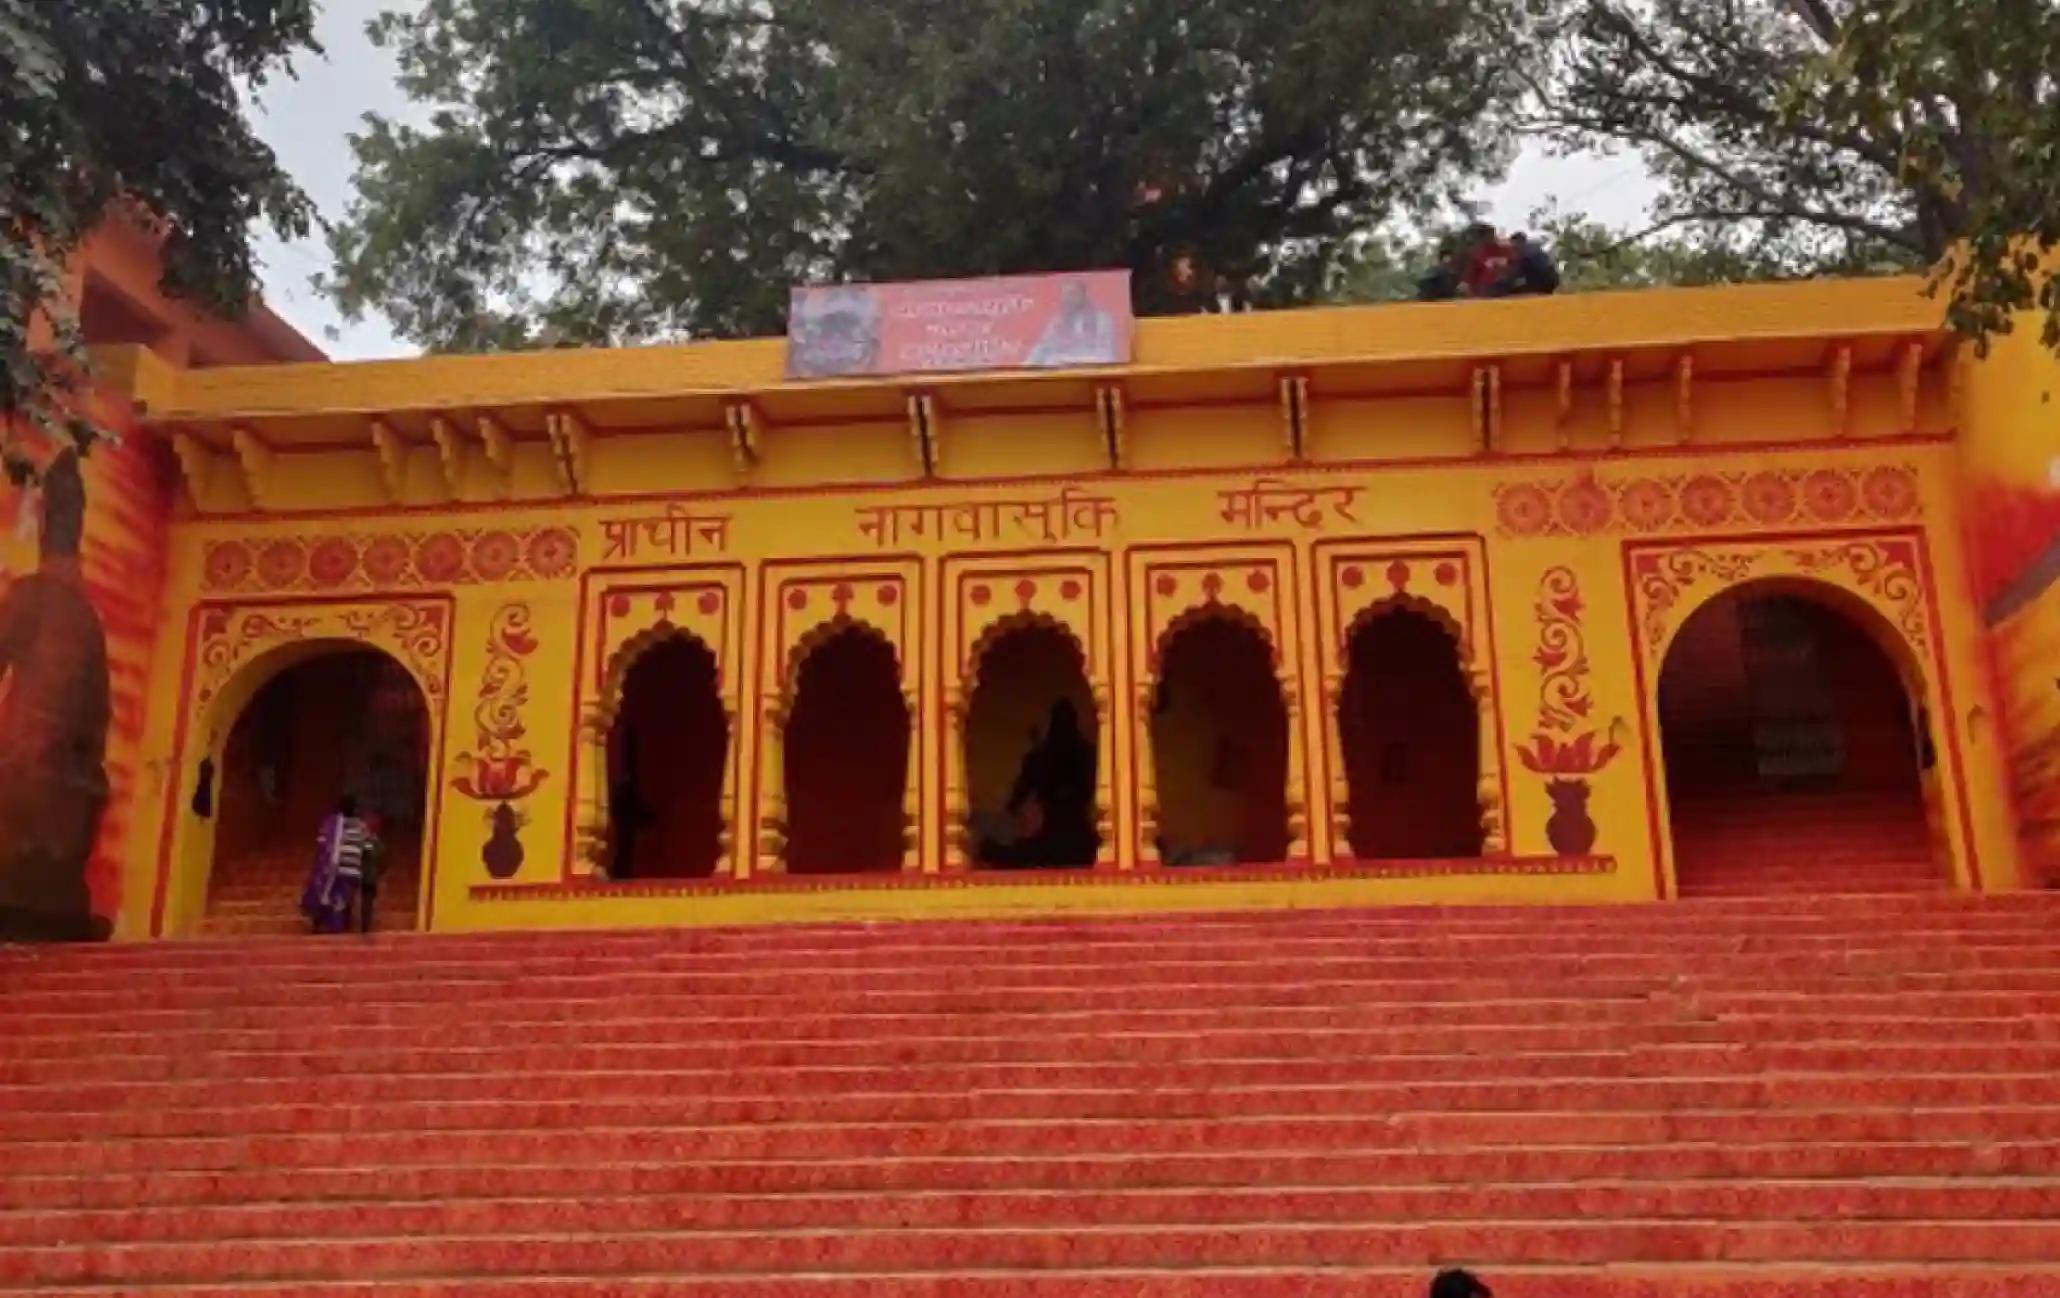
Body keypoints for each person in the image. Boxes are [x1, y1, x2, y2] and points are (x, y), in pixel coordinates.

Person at [983, 699, 1098, 868]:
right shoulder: (1053, 754)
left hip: (1069, 829)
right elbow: (1020, 792)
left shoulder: (1044, 755)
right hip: (1064, 829)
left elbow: (1020, 793)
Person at [302, 795, 374, 935]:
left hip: (336, 871)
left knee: (330, 899)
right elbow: (368, 849)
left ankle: (327, 926)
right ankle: (341, 927)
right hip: (352, 871)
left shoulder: (332, 824)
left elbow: (322, 846)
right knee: (344, 902)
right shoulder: (361, 826)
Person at [1028, 280, 1119, 367]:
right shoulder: (1058, 321)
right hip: (1064, 361)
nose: (1068, 298)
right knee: (1049, 360)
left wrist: (1080, 360)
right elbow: (1044, 345)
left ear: (1083, 295)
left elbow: (1105, 348)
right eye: (1066, 295)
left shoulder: (1101, 318)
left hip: (1092, 361)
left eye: (1072, 294)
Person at [1496, 232, 1562, 296]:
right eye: (1513, 248)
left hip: (1539, 292)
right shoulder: (1511, 262)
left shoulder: (1536, 258)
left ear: (1524, 243)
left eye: (1516, 247)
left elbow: (1551, 278)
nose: (1515, 250)